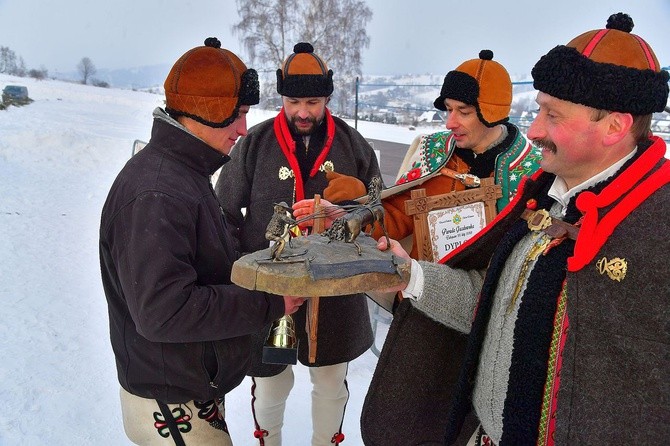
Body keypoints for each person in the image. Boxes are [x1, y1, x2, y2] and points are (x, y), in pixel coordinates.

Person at [380, 13, 670, 445]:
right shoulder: (545, 197)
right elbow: (494, 305)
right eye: (538, 111)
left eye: (553, 116)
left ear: (615, 126)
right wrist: (413, 275)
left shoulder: (658, 226)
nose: (534, 131)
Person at [318, 50, 542, 445]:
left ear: (492, 112)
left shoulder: (531, 172)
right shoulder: (435, 153)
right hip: (421, 303)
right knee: (405, 414)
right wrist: (362, 213)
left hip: (481, 321)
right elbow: (400, 214)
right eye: (448, 110)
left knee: (463, 421)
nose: (450, 122)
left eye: (464, 112)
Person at [99, 38, 305, 445]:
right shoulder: (159, 191)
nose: (244, 129)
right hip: (169, 401)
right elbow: (163, 310)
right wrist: (269, 303)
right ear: (210, 110)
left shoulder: (182, 173)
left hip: (190, 384)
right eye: (239, 115)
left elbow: (203, 257)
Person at [214, 42, 381, 446]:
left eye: (312, 101)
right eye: (293, 101)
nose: (302, 111)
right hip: (271, 292)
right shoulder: (253, 144)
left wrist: (359, 206)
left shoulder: (353, 145)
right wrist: (247, 271)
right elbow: (223, 213)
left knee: (330, 382)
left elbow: (380, 211)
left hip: (336, 292)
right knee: (271, 383)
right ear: (282, 98)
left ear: (326, 97)